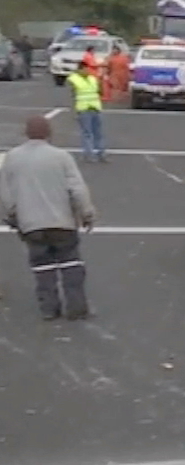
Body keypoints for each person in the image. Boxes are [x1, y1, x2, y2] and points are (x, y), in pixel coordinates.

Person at [0, 115, 97, 320]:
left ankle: (49, 308)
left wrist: (13, 213)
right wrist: (86, 213)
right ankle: (77, 307)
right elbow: (77, 188)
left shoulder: (12, 158)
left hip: (31, 224)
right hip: (62, 222)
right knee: (71, 264)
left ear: (26, 133)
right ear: (49, 133)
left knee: (42, 267)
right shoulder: (61, 157)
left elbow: (6, 192)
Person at [68, 57, 106, 162]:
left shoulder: (93, 79)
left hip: (95, 108)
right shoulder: (73, 80)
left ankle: (101, 154)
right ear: (79, 69)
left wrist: (101, 82)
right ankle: (89, 155)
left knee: (98, 133)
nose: (87, 71)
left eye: (87, 69)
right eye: (84, 69)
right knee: (87, 133)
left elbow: (100, 92)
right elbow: (71, 97)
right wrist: (73, 112)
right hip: (83, 109)